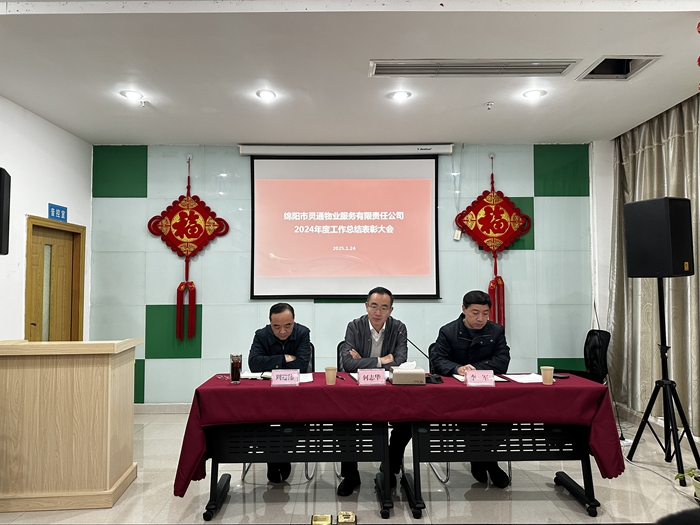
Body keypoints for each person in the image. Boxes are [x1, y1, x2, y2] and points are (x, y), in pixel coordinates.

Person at [430, 290, 511, 489]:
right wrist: (457, 368)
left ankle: (481, 457)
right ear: (464, 309)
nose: (480, 318)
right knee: (466, 419)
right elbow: (438, 360)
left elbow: (502, 361)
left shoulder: (496, 331)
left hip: (487, 392)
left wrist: (474, 369)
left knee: (507, 415)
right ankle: (489, 462)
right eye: (475, 313)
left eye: (485, 313)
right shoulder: (448, 331)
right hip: (457, 395)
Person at [337, 286, 411, 496]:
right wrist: (381, 360)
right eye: (374, 306)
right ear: (366, 306)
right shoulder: (354, 326)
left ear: (391, 310)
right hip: (358, 391)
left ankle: (390, 467)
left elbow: (399, 361)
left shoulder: (399, 328)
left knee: (407, 421)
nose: (378, 312)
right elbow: (348, 364)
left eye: (384, 308)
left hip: (388, 391)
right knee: (345, 421)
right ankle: (350, 475)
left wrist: (363, 361)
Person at [248, 302, 311, 483]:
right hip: (269, 395)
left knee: (293, 421)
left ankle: (283, 454)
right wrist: (284, 358)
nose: (283, 331)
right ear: (270, 323)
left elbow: (301, 365)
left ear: (294, 321)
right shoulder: (261, 335)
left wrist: (271, 363)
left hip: (295, 395)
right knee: (262, 419)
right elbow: (254, 364)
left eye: (288, 325)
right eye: (276, 326)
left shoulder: (302, 333)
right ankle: (272, 456)